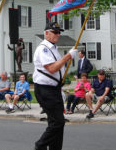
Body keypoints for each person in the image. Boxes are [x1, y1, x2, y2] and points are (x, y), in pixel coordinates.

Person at [33, 22, 77, 150]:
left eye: (59, 32)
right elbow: (52, 68)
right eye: (55, 32)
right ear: (46, 33)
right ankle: (40, 145)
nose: (58, 34)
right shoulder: (43, 49)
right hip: (45, 90)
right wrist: (68, 56)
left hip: (54, 89)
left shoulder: (53, 48)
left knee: (57, 123)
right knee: (58, 122)